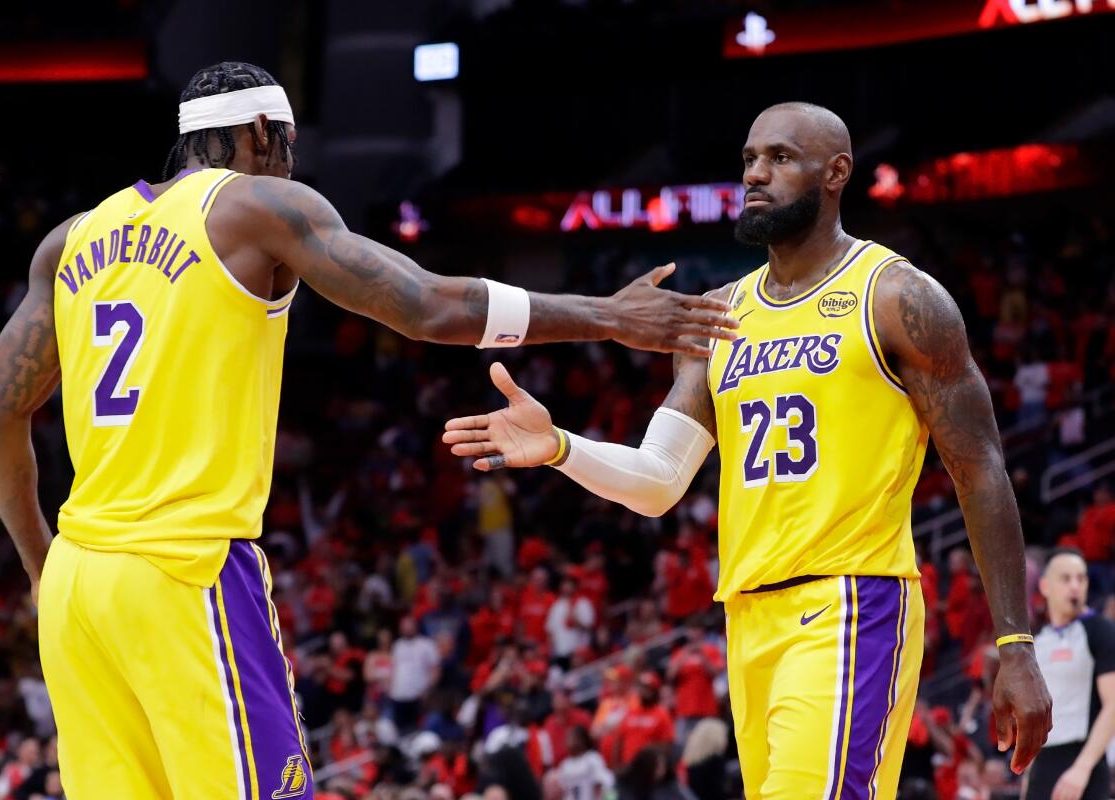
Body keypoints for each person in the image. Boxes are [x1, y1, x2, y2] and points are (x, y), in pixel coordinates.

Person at [0, 62, 735, 799]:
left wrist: (44, 567)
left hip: (79, 585)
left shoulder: (69, 241)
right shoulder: (258, 207)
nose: (294, 167)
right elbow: (430, 306)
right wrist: (606, 316)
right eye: (291, 150)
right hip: (183, 567)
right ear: (265, 132)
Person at [442, 101, 1053, 796]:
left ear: (836, 173)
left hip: (851, 605)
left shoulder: (896, 297)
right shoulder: (717, 315)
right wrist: (559, 446)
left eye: (781, 158)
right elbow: (660, 478)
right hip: (748, 618)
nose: (756, 174)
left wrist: (1016, 646)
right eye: (749, 159)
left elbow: (980, 469)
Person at [1026, 548, 1115, 800]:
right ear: (1044, 586)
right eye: (1066, 579)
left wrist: (1082, 768)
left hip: (1084, 763)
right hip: (1042, 764)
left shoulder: (1100, 630)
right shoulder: (1039, 640)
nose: (1075, 586)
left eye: (1081, 578)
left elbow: (1113, 704)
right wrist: (1028, 776)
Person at [552, 726, 614, 800]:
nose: (569, 741)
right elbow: (562, 791)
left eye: (572, 737)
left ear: (582, 740)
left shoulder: (592, 758)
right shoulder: (565, 765)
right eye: (567, 738)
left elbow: (605, 782)